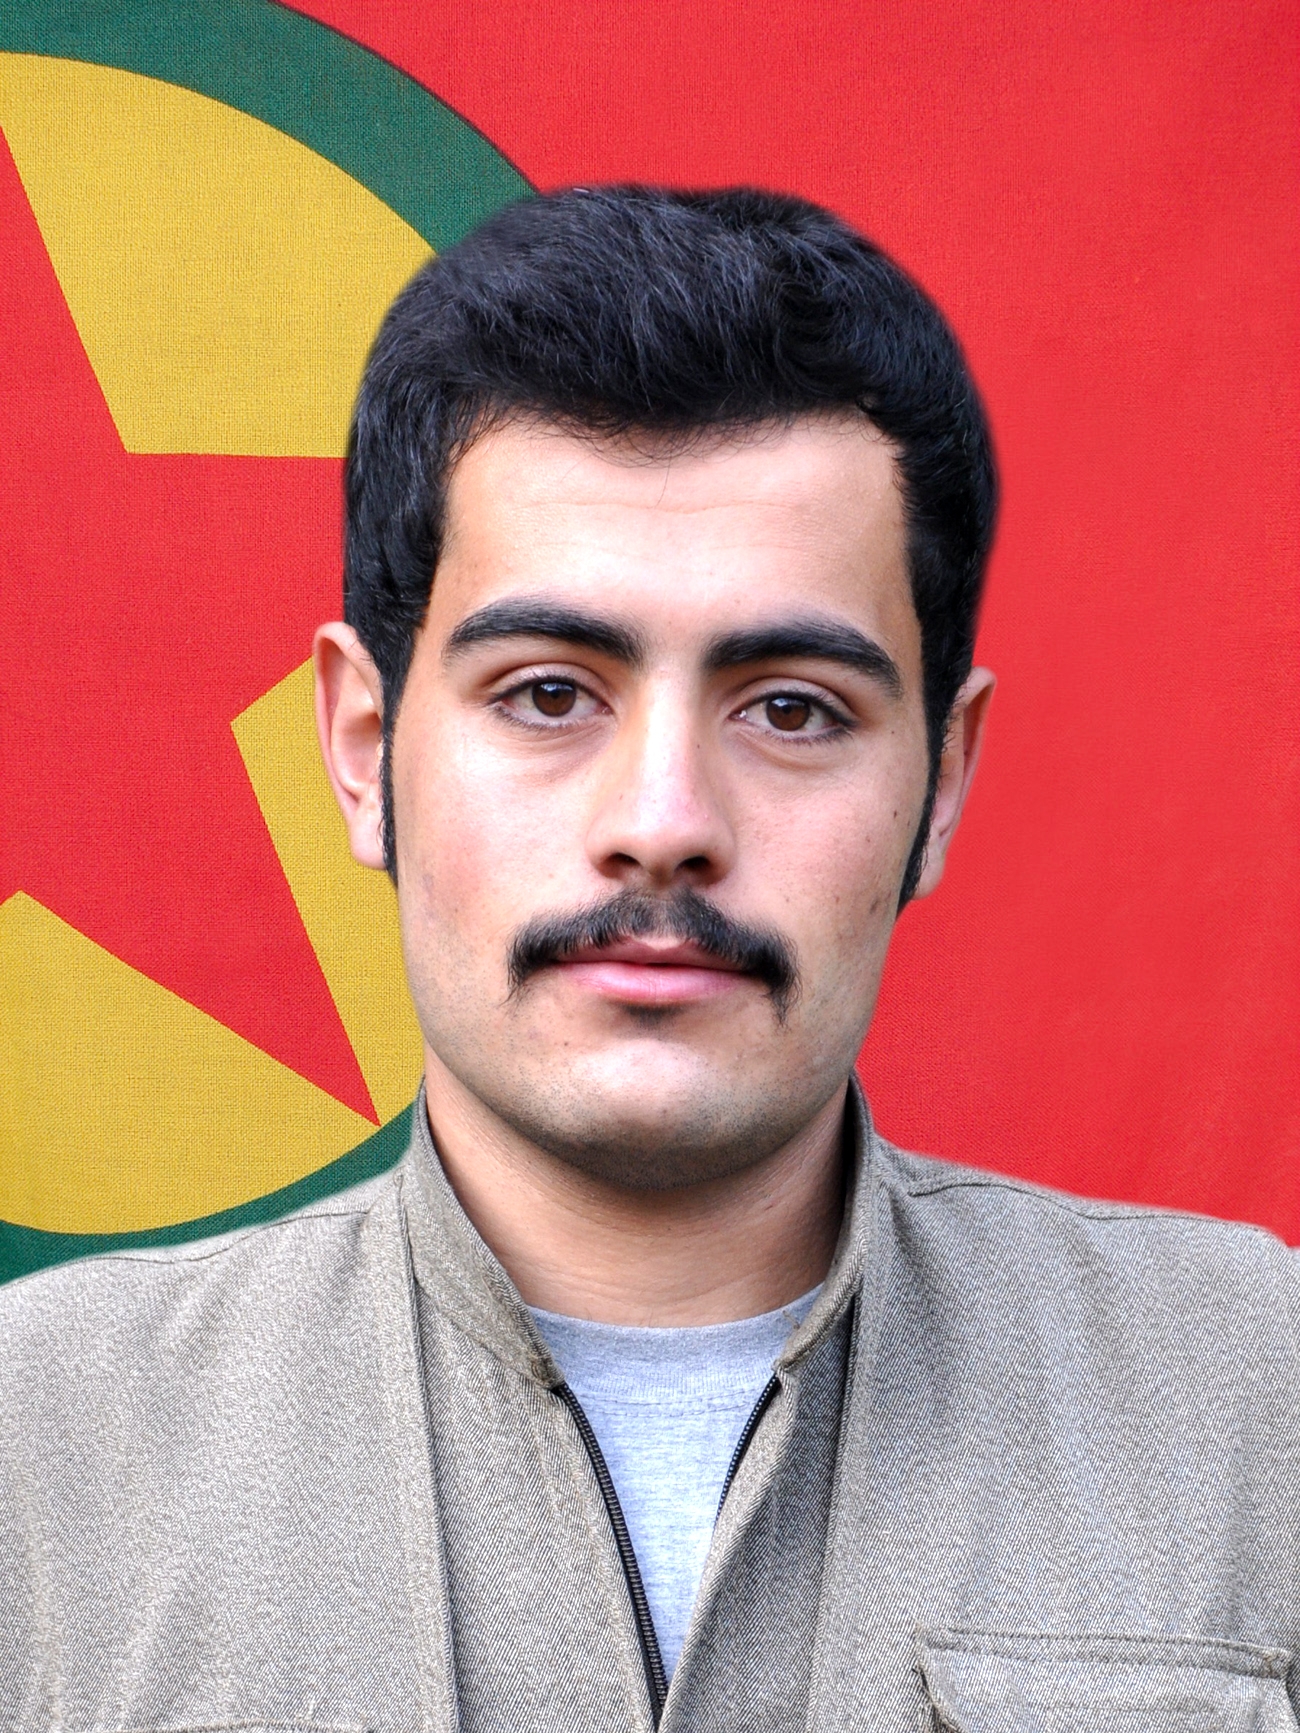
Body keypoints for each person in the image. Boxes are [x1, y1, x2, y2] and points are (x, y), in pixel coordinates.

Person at [1, 186, 1297, 1731]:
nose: (664, 823)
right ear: (362, 747)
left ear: (942, 782)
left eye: (793, 708)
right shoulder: (40, 1452)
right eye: (548, 693)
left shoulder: (1256, 1394)